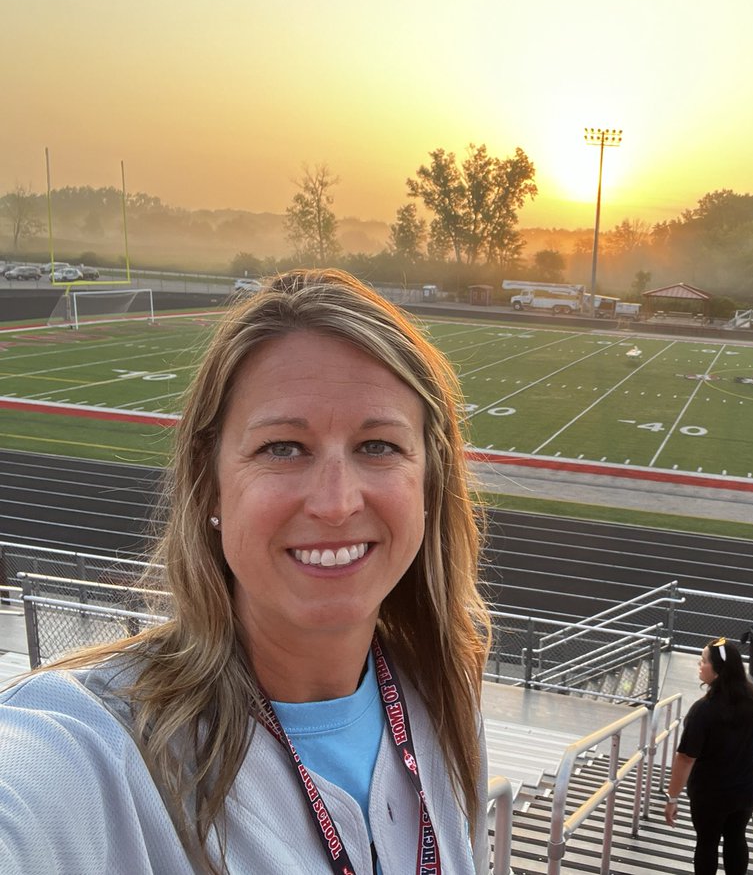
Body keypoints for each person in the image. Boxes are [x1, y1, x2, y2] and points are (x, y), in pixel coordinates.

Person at [0, 270, 492, 873]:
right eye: (283, 448)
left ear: (428, 483)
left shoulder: (444, 698)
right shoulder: (98, 746)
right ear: (210, 485)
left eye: (379, 446)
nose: (335, 503)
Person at [664, 637, 753, 875]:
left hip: (710, 794)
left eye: (703, 661)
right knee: (736, 837)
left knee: (707, 843)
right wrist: (752, 757)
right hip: (747, 787)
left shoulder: (703, 711)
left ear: (718, 671)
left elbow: (685, 758)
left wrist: (673, 797)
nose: (699, 664)